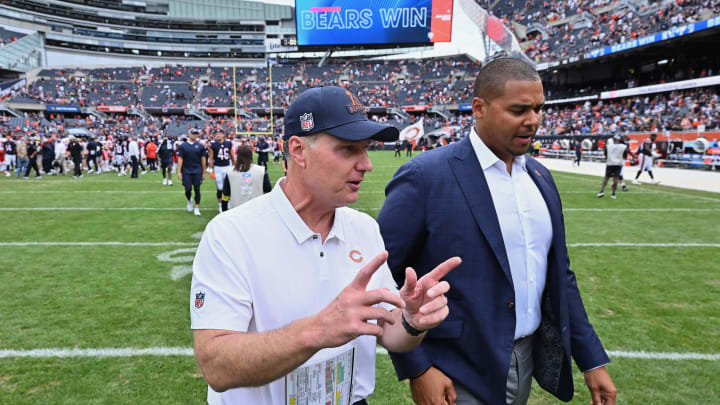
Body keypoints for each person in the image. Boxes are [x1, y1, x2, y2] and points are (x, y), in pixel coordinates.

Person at [190, 86, 462, 405]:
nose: (366, 164)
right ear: (299, 151)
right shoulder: (231, 234)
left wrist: (412, 322)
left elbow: (391, 334)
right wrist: (319, 330)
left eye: (366, 149)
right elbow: (217, 366)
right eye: (348, 149)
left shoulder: (363, 228)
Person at [378, 58, 616, 405]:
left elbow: (559, 277)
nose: (532, 120)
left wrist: (591, 358)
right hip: (455, 367)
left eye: (538, 109)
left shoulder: (540, 178)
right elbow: (380, 277)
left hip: (525, 356)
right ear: (480, 108)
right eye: (519, 109)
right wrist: (418, 366)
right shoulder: (425, 176)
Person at [220, 145, 270, 211]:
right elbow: (268, 190)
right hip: (257, 210)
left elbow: (225, 194)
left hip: (236, 210)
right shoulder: (261, 171)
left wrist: (224, 210)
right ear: (251, 155)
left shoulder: (230, 172)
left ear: (238, 156)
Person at [177, 130, 207, 216]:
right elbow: (180, 158)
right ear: (189, 134)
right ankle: (189, 199)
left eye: (196, 134)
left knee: (197, 189)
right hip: (186, 170)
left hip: (197, 170)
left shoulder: (200, 146)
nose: (194, 135)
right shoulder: (183, 146)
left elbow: (203, 159)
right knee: (188, 189)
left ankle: (197, 207)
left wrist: (204, 172)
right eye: (193, 134)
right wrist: (179, 171)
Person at [208, 130, 235, 213]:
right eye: (217, 134)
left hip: (227, 166)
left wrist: (235, 165)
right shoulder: (213, 144)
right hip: (218, 167)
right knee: (220, 187)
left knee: (228, 186)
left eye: (220, 134)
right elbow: (211, 157)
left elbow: (232, 155)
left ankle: (229, 202)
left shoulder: (228, 143)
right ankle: (220, 205)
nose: (218, 135)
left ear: (223, 135)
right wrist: (210, 169)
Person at [597, 134, 629, 199]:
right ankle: (613, 194)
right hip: (618, 164)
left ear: (613, 139)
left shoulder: (608, 146)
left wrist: (608, 158)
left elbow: (605, 154)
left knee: (606, 178)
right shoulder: (623, 146)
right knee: (615, 180)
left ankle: (601, 191)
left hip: (610, 163)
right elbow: (625, 156)